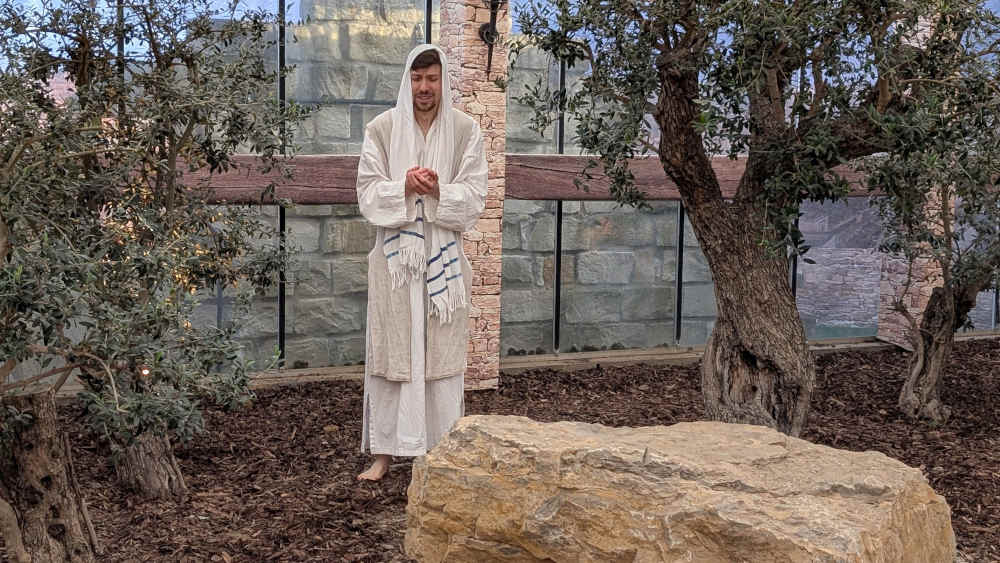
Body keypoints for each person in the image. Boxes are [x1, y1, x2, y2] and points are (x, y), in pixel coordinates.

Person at [355, 44, 488, 481]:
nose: (424, 88)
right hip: (397, 264)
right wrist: (404, 187)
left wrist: (436, 193)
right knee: (393, 353)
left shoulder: (466, 131)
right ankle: (385, 454)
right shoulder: (382, 129)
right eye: (417, 79)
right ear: (406, 81)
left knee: (439, 358)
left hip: (442, 259)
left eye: (431, 79)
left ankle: (442, 448)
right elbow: (368, 191)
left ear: (443, 80)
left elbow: (475, 195)